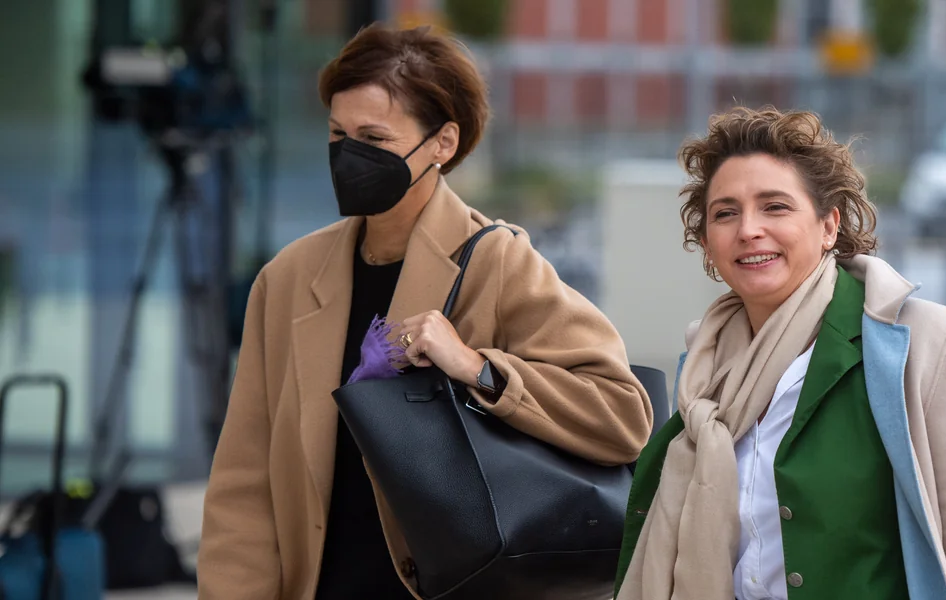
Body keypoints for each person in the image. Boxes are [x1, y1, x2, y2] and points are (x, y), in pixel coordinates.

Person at [197, 24, 653, 600]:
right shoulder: (287, 279)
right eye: (338, 133)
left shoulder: (498, 262)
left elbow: (622, 415)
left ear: (443, 143)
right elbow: (245, 479)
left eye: (374, 138)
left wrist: (478, 368)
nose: (349, 154)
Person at [614, 107, 946, 600]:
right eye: (725, 213)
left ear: (829, 226)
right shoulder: (703, 370)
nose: (748, 229)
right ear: (707, 243)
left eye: (775, 207)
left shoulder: (927, 345)